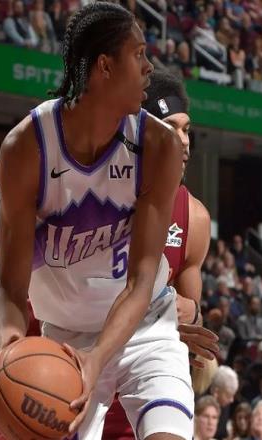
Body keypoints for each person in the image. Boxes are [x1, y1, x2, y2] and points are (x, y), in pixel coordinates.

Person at [0, 3, 196, 439]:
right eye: (138, 54)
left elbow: (141, 281)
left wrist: (98, 358)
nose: (149, 66)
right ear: (105, 66)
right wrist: (9, 347)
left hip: (145, 327)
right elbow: (10, 286)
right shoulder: (26, 148)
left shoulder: (159, 147)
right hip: (64, 340)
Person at [102, 67, 218, 439]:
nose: (184, 142)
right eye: (171, 127)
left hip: (142, 386)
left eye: (187, 129)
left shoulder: (194, 217)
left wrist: (191, 312)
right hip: (76, 369)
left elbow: (193, 321)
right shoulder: (95, 195)